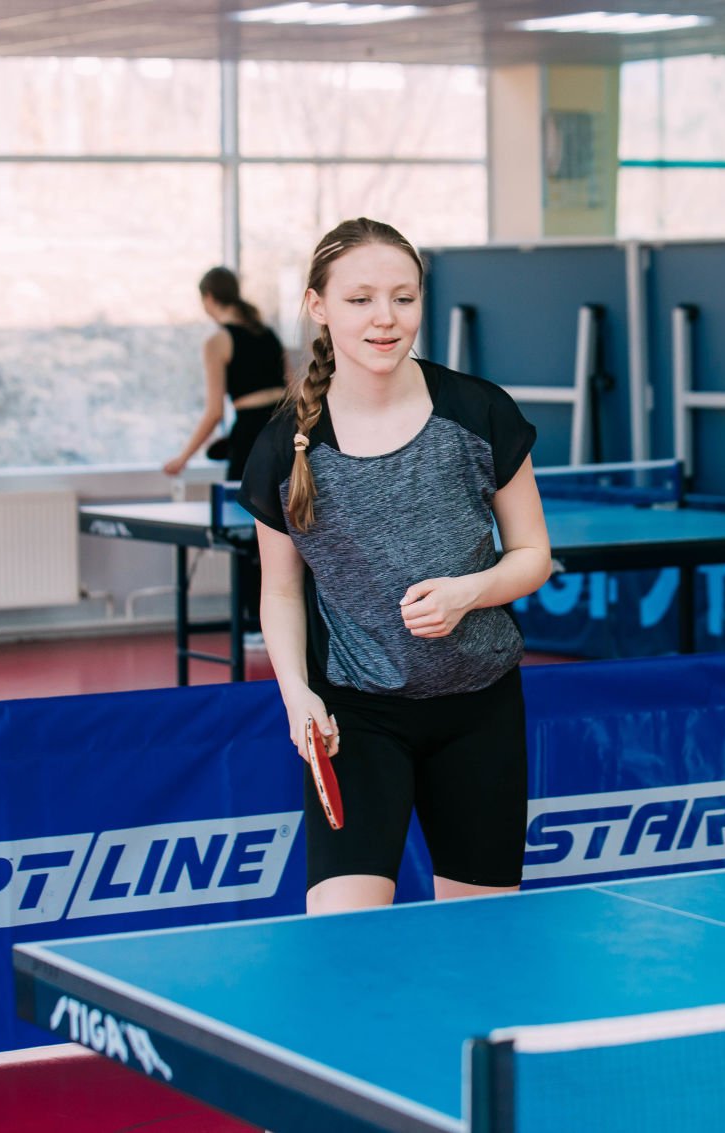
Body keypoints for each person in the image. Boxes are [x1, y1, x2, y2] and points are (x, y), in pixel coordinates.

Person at [237, 218, 552, 915]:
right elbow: (281, 592)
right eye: (360, 299)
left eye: (403, 298)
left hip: (479, 710)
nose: (385, 318)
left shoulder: (478, 412)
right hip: (354, 716)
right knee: (344, 939)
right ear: (319, 306)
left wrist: (470, 592)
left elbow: (534, 555)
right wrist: (296, 694)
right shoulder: (284, 446)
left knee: (481, 936)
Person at [163, 267, 288, 635]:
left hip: (249, 436)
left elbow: (215, 411)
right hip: (283, 430)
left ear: (208, 299)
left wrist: (183, 458)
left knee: (245, 532)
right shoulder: (269, 334)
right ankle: (283, 623)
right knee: (284, 530)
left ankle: (253, 624)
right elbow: (292, 387)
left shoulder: (218, 341)